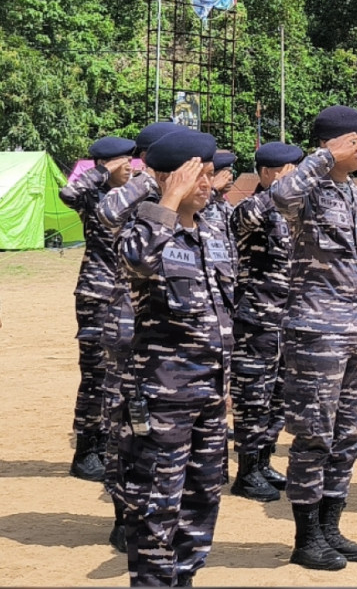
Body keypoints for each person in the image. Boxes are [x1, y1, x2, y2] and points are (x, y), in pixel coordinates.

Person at [269, 106, 357, 570]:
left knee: (351, 432)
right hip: (317, 331)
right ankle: (306, 538)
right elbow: (280, 194)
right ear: (332, 143)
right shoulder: (309, 189)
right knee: (314, 435)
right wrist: (321, 157)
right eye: (355, 140)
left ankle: (330, 527)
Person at [117, 129, 233, 587]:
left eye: (208, 175)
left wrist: (223, 390)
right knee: (154, 509)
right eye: (197, 176)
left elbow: (221, 314)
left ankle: (184, 580)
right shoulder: (142, 229)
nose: (208, 183)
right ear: (171, 179)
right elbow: (139, 262)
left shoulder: (211, 232)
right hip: (164, 400)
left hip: (208, 395)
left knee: (201, 502)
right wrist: (168, 200)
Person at [97, 121, 187, 554]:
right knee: (129, 424)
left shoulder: (185, 197)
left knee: (162, 428)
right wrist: (152, 177)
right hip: (129, 326)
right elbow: (107, 212)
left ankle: (159, 511)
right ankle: (123, 514)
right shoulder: (135, 191)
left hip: (170, 327)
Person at [228, 141, 304, 503]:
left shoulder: (296, 213)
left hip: (287, 321)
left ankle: (264, 463)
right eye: (290, 171)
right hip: (256, 320)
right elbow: (240, 222)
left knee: (277, 397)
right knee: (252, 397)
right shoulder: (252, 208)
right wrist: (277, 193)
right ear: (268, 174)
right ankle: (246, 471)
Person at [58, 135, 136, 482]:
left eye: (132, 162)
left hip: (126, 295)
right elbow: (68, 193)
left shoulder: (132, 196)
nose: (130, 169)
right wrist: (101, 173)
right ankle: (85, 450)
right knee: (96, 375)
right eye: (124, 164)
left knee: (119, 376)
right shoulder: (92, 195)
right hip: (97, 294)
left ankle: (106, 443)